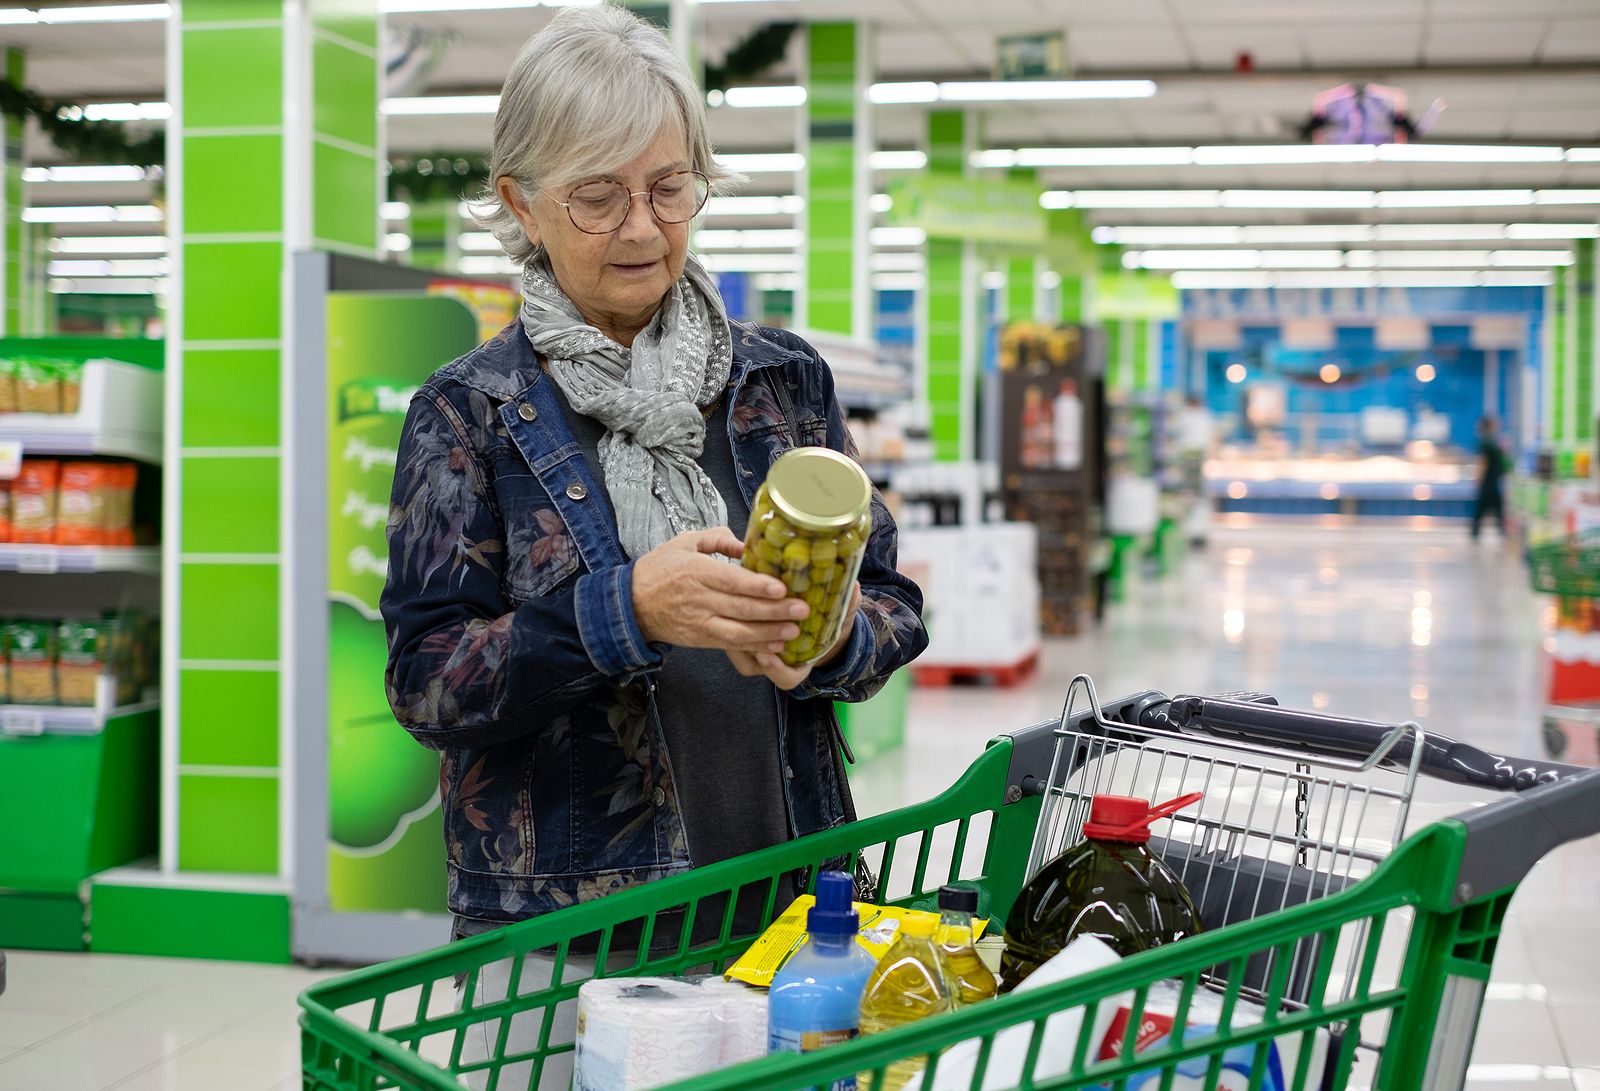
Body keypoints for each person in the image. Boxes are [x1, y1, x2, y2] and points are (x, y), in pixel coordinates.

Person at [378, 6, 927, 1085]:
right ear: (519, 202)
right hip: (564, 949)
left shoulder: (779, 383)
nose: (643, 228)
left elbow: (892, 600)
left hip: (784, 919)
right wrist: (623, 611)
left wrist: (828, 638)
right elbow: (427, 683)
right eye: (598, 195)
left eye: (670, 186)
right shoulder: (472, 413)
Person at [1471, 416, 1507, 539]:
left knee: (1489, 507)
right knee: (1489, 507)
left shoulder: (1490, 441)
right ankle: (1499, 531)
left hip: (1492, 480)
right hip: (1489, 481)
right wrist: (1479, 477)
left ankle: (1477, 531)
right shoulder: (1487, 442)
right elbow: (1482, 461)